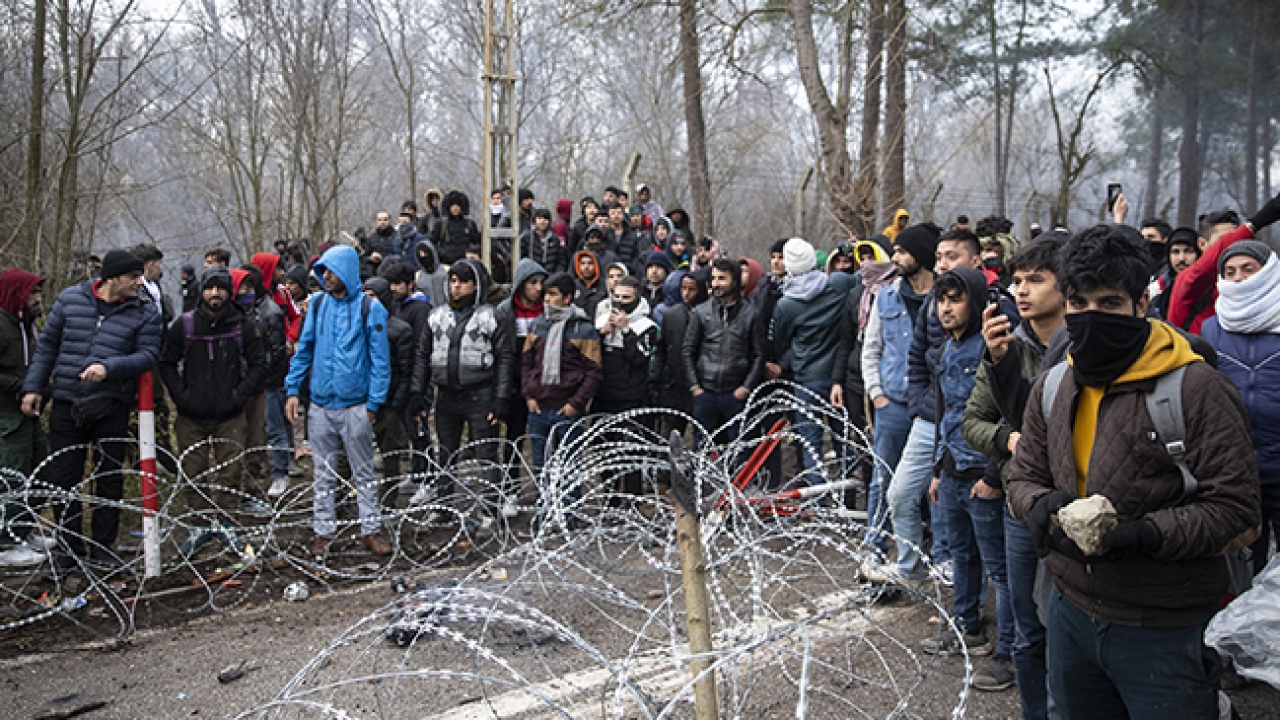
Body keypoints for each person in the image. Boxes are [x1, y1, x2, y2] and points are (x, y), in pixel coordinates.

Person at [1008, 224, 1260, 719]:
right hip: (1071, 611)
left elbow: (1236, 509)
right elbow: (1022, 473)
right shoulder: (1054, 384)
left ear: (1141, 305)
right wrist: (1037, 506)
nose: (1091, 318)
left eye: (1110, 304)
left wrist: (1143, 535)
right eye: (1079, 304)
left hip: (1165, 625)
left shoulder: (1197, 388)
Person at [959, 236, 1066, 713]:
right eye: (1016, 281)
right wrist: (1009, 441)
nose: (1021, 291)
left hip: (1071, 502)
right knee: (1027, 629)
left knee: (1071, 628)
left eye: (1036, 280)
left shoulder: (1083, 349)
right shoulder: (1007, 345)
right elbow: (971, 422)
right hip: (1020, 507)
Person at [889, 228, 1019, 585]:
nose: (943, 264)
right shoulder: (936, 303)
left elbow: (1007, 399)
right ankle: (916, 568)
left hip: (980, 443)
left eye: (952, 257)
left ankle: (995, 624)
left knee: (987, 548)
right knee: (903, 493)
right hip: (936, 422)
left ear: (975, 262)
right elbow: (918, 357)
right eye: (939, 257)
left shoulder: (996, 313)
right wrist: (920, 405)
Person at [22, 250, 163, 571]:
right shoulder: (71, 301)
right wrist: (34, 387)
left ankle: (102, 548)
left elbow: (149, 354)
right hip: (67, 403)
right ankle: (68, 551)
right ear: (111, 278)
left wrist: (109, 368)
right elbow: (47, 346)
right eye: (132, 277)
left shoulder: (145, 310)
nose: (139, 282)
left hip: (111, 405)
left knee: (109, 479)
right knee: (64, 480)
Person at [919, 267, 1015, 686]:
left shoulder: (990, 349)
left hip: (983, 471)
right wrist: (938, 470)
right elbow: (944, 413)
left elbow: (1006, 411)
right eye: (942, 300)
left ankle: (1010, 652)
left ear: (974, 303)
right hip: (953, 470)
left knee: (1000, 567)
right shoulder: (944, 350)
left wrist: (994, 476)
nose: (946, 308)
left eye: (955, 299)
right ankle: (967, 626)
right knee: (963, 555)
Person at [284, 245, 392, 558]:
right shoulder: (317, 306)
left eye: (331, 271)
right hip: (320, 404)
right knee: (323, 472)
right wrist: (293, 389)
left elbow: (380, 361)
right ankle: (323, 531)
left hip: (355, 404)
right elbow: (303, 351)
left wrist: (372, 405)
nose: (326, 277)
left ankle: (371, 529)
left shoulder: (370, 310)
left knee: (363, 472)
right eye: (323, 271)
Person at [159, 265, 268, 551]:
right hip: (190, 414)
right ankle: (200, 524)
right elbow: (166, 363)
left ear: (228, 292)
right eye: (209, 288)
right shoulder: (185, 325)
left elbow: (259, 365)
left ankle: (227, 522)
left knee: (231, 471)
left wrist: (239, 396)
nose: (215, 294)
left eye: (220, 288)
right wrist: (181, 396)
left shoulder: (243, 325)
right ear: (202, 291)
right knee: (194, 471)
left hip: (230, 413)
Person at [408, 260, 513, 528]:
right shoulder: (436, 316)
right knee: (446, 452)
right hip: (446, 395)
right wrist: (417, 393)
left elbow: (504, 360)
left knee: (486, 453)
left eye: (463, 282)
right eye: (453, 281)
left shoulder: (491, 316)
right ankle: (443, 506)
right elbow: (422, 357)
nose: (456, 287)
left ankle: (491, 507)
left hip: (480, 392)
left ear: (476, 285)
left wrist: (501, 398)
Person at [1199, 240, 1280, 574]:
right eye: (1229, 272)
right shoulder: (1211, 329)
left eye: (1249, 269)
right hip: (1237, 471)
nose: (1238, 278)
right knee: (1247, 567)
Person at [859, 225, 938, 561]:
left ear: (920, 255)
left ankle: (937, 551)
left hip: (933, 406)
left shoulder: (943, 299)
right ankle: (874, 545)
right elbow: (871, 348)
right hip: (892, 402)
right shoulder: (886, 295)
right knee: (883, 479)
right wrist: (877, 393)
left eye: (903, 252)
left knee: (935, 484)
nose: (895, 258)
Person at [771, 238, 859, 485]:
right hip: (838, 377)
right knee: (844, 443)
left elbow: (781, 340)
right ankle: (847, 499)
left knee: (811, 446)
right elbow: (867, 278)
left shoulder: (787, 304)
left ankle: (818, 504)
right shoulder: (838, 285)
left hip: (807, 379)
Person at [521, 272, 603, 508]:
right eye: (545, 294)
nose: (547, 299)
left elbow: (594, 372)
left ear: (567, 298)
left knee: (569, 466)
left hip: (567, 409)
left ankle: (569, 514)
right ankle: (543, 512)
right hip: (539, 407)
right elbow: (526, 363)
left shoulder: (583, 329)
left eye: (553, 294)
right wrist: (529, 395)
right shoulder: (538, 325)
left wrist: (575, 404)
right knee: (541, 466)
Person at [683, 258, 766, 447]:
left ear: (735, 281)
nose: (716, 284)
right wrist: (695, 386)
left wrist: (746, 388)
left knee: (739, 450)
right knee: (702, 448)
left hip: (735, 393)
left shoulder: (751, 314)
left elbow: (759, 354)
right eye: (713, 278)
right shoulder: (701, 312)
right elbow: (688, 350)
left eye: (722, 278)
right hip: (705, 391)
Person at [1166, 202, 1277, 333]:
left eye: (1237, 240)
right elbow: (1202, 270)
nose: (1233, 246)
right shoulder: (1188, 280)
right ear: (1202, 244)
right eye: (1224, 240)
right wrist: (1254, 224)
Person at [0, 270, 48, 567]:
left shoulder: (25, 326)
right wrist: (24, 387)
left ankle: (23, 530)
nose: (38, 300)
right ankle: (5, 542)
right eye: (32, 294)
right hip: (7, 414)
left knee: (38, 471)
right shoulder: (2, 326)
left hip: (29, 413)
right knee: (11, 477)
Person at [594, 276, 658, 497]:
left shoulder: (646, 326)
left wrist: (626, 331)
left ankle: (633, 497)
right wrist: (600, 335)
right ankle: (610, 497)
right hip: (604, 395)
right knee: (604, 450)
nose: (620, 302)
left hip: (631, 395)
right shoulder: (601, 320)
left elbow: (642, 359)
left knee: (631, 450)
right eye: (617, 297)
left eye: (626, 298)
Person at [232, 266, 291, 501]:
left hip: (268, 382)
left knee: (273, 428)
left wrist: (262, 376)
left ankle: (280, 473)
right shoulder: (245, 312)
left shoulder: (269, 312)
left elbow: (275, 351)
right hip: (247, 383)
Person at [495, 259, 548, 517]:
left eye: (541, 283)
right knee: (514, 438)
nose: (538, 288)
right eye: (533, 283)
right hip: (515, 385)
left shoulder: (547, 311)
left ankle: (545, 490)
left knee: (544, 439)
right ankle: (511, 488)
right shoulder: (505, 312)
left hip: (542, 384)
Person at [361, 277, 415, 508]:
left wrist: (396, 403)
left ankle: (388, 500)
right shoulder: (358, 325)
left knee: (390, 455)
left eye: (373, 295)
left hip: (390, 401)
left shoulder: (399, 330)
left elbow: (405, 371)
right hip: (361, 399)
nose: (368, 301)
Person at [1148, 227, 1201, 321]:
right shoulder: (1156, 291)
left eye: (1188, 251)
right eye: (1175, 252)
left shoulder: (1209, 291)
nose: (1181, 258)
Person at [432, 190, 482, 265]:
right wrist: (442, 253)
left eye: (458, 206)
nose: (455, 208)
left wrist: (472, 253)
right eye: (453, 206)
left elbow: (477, 242)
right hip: (445, 262)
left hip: (465, 263)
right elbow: (432, 242)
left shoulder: (469, 224)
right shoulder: (441, 224)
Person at [522, 207, 567, 275]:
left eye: (545, 219)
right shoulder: (526, 237)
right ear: (535, 220)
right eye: (539, 218)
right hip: (531, 276)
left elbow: (561, 260)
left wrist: (557, 275)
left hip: (550, 278)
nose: (542, 221)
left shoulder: (554, 239)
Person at [571, 249, 608, 319]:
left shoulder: (605, 286)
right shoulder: (573, 285)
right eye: (583, 263)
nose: (586, 267)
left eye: (590, 263)